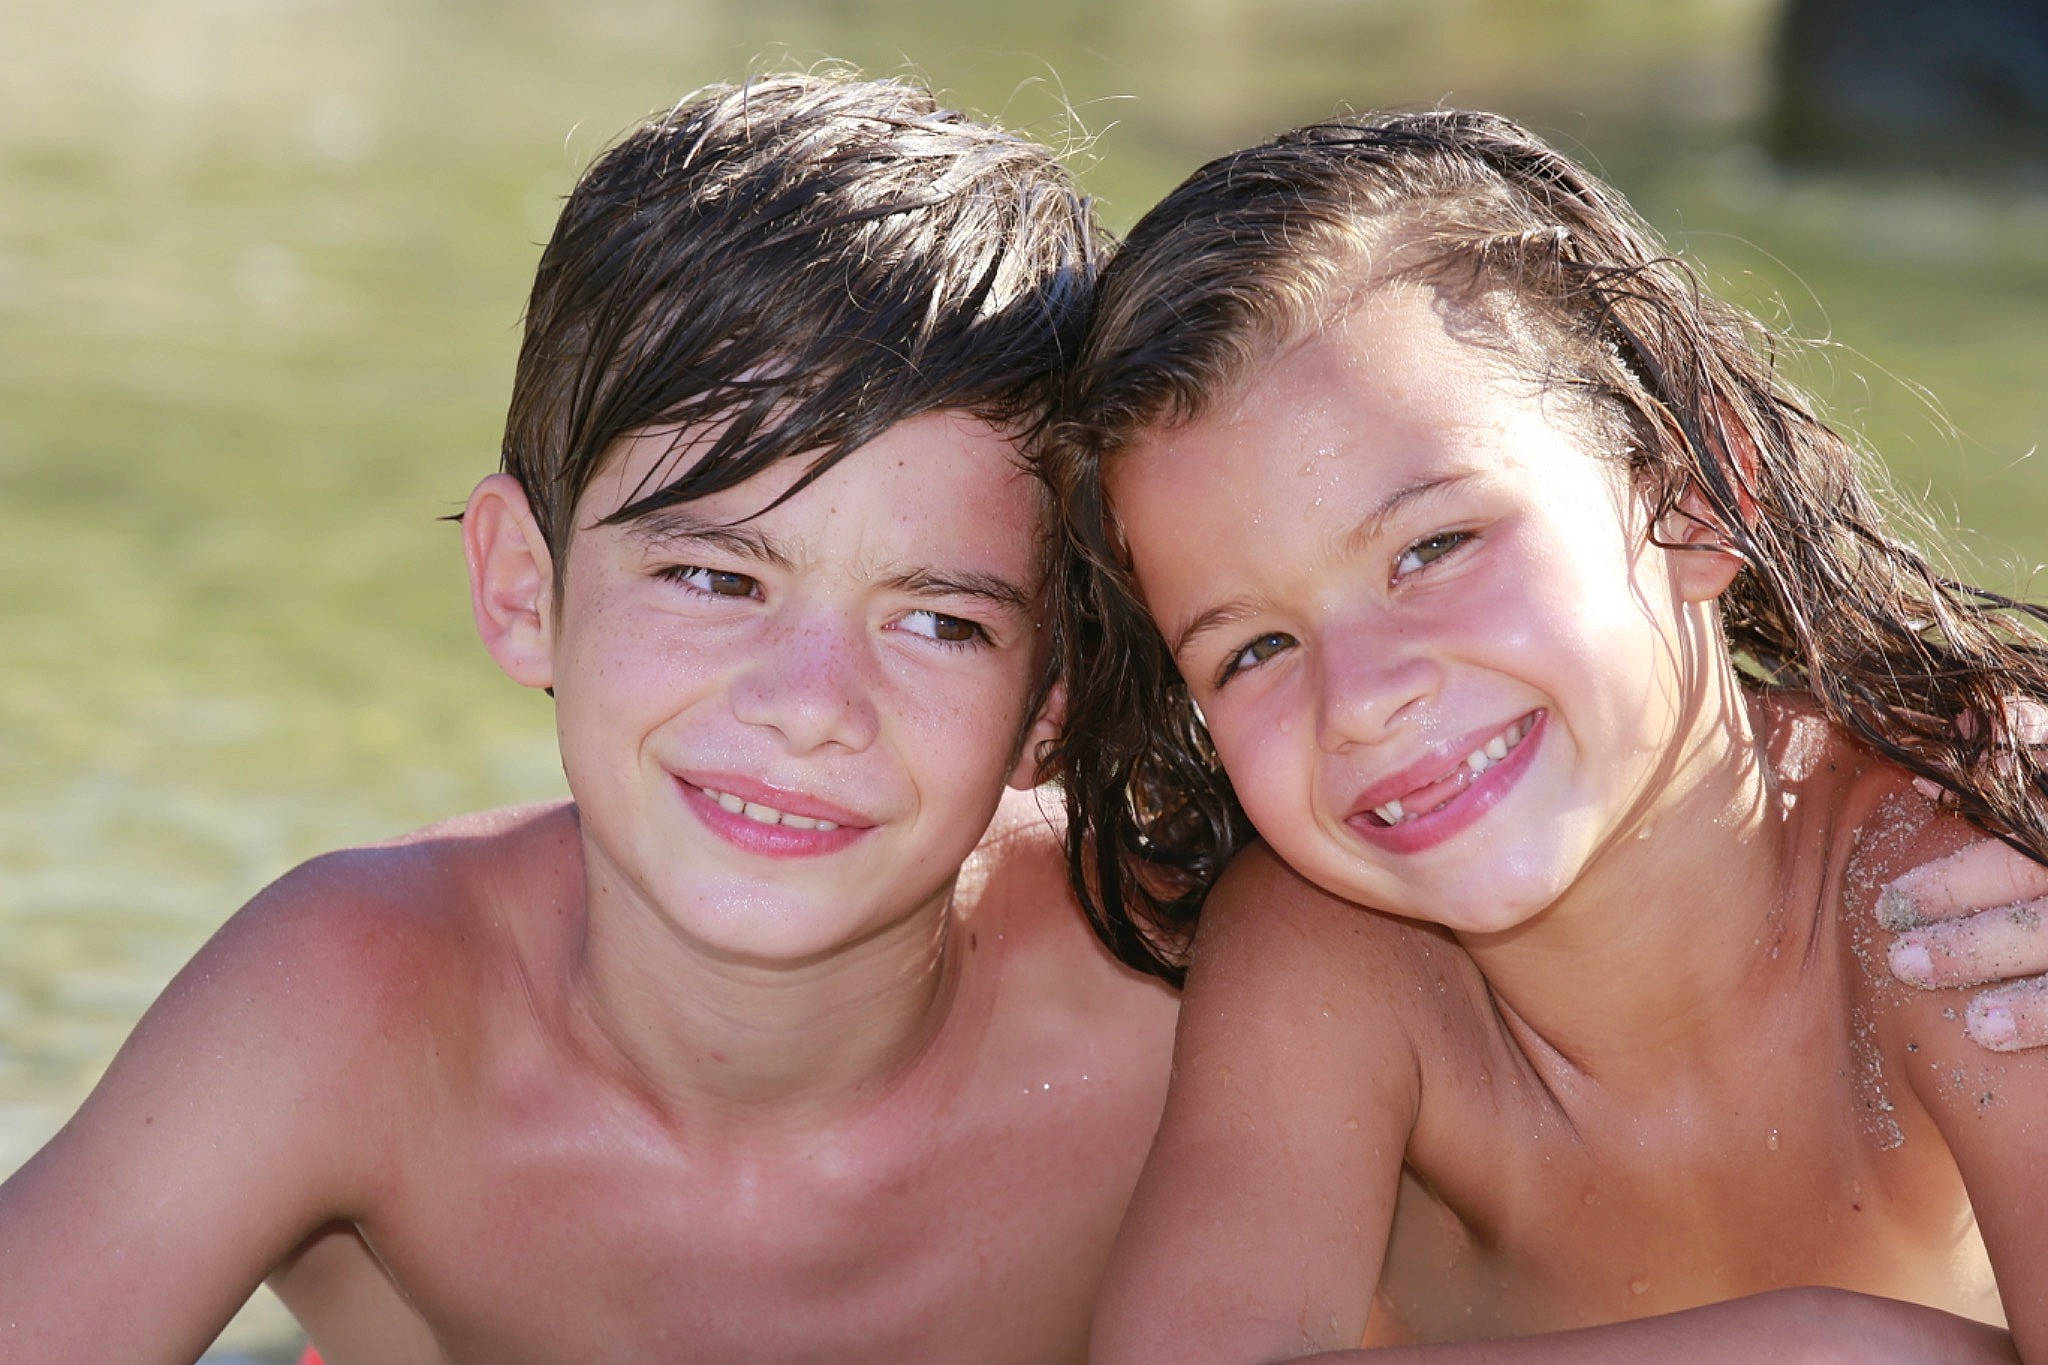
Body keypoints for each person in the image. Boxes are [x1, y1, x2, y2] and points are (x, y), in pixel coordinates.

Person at [0, 72, 1180, 1364]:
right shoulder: (359, 1023)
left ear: (1056, 692)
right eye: (718, 577)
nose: (807, 709)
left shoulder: (1184, 1018)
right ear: (526, 587)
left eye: (939, 621)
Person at [1050, 109, 2048, 1361]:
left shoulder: (1954, 884)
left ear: (1693, 496)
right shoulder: (1337, 959)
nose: (1358, 699)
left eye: (1433, 548)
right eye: (1250, 649)